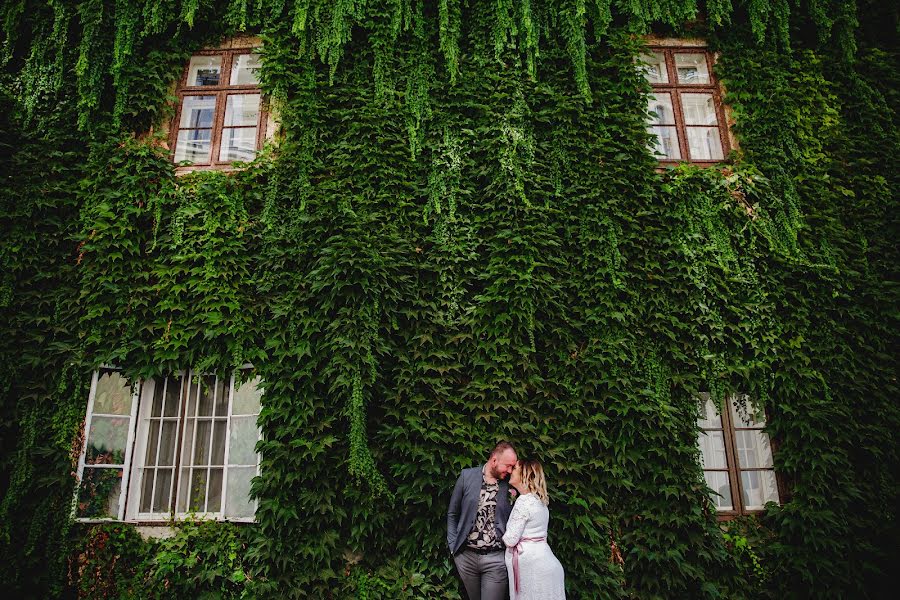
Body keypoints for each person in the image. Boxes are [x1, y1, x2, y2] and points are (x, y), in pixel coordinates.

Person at [447, 441, 519, 600]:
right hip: (466, 558)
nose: (510, 470)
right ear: (494, 460)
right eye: (508, 466)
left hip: (496, 559)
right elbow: (453, 513)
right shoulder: (467, 476)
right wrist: (453, 547)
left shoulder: (511, 484)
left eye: (513, 467)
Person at [503, 459, 565, 600]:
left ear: (525, 474)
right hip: (548, 565)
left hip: (535, 570)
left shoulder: (523, 501)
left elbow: (510, 539)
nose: (510, 471)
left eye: (515, 468)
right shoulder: (540, 501)